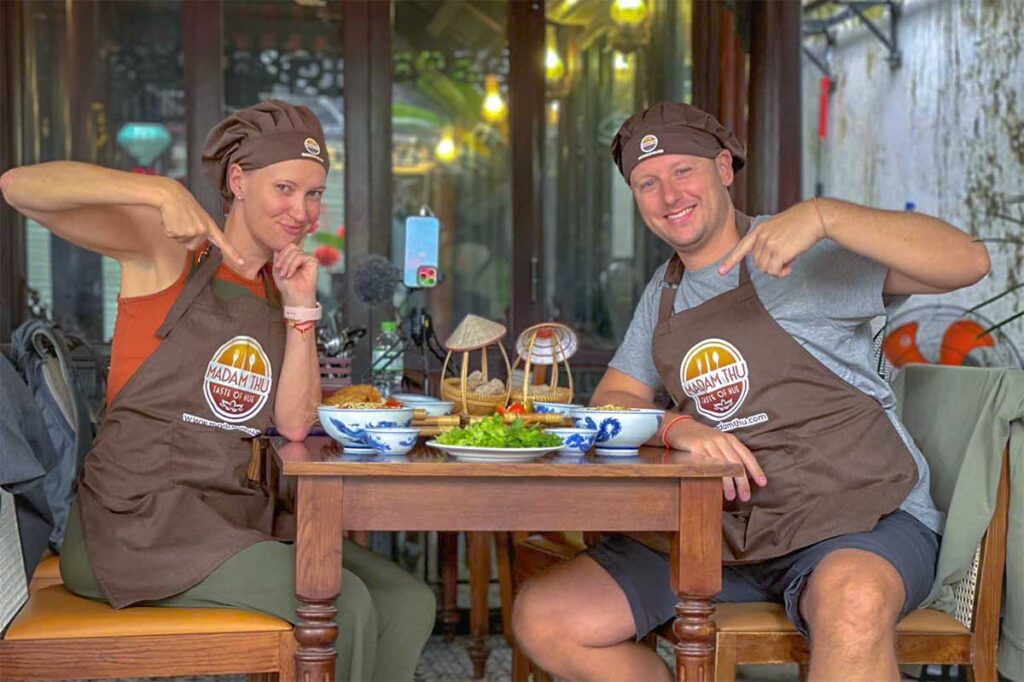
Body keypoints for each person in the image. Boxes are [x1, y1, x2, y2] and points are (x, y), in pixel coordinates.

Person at [511, 102, 991, 681]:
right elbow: (614, 401)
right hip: (720, 536)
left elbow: (967, 261)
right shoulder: (662, 295)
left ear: (723, 168)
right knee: (547, 617)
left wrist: (824, 216)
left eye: (682, 172)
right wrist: (677, 428)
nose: (668, 196)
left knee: (854, 602)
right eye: (647, 184)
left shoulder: (802, 259)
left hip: (856, 520)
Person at [0, 99, 435, 681]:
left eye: (312, 194)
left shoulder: (279, 291)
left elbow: (298, 425)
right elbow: (19, 186)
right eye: (285, 188)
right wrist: (156, 193)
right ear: (238, 181)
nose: (302, 211)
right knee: (341, 602)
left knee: (409, 601)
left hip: (232, 520)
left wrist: (303, 309)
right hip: (137, 528)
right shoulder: (169, 253)